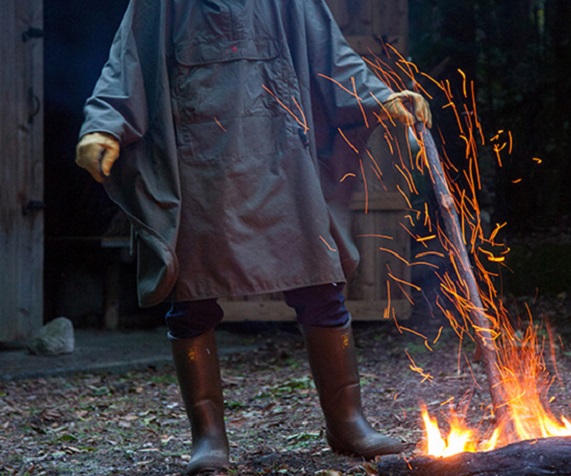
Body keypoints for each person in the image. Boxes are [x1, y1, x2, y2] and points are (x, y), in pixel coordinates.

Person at [75, 1, 431, 474]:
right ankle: (209, 439)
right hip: (199, 168)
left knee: (322, 288)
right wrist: (104, 126)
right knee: (191, 300)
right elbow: (126, 64)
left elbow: (332, 56)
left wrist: (380, 97)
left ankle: (348, 423)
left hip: (285, 160)